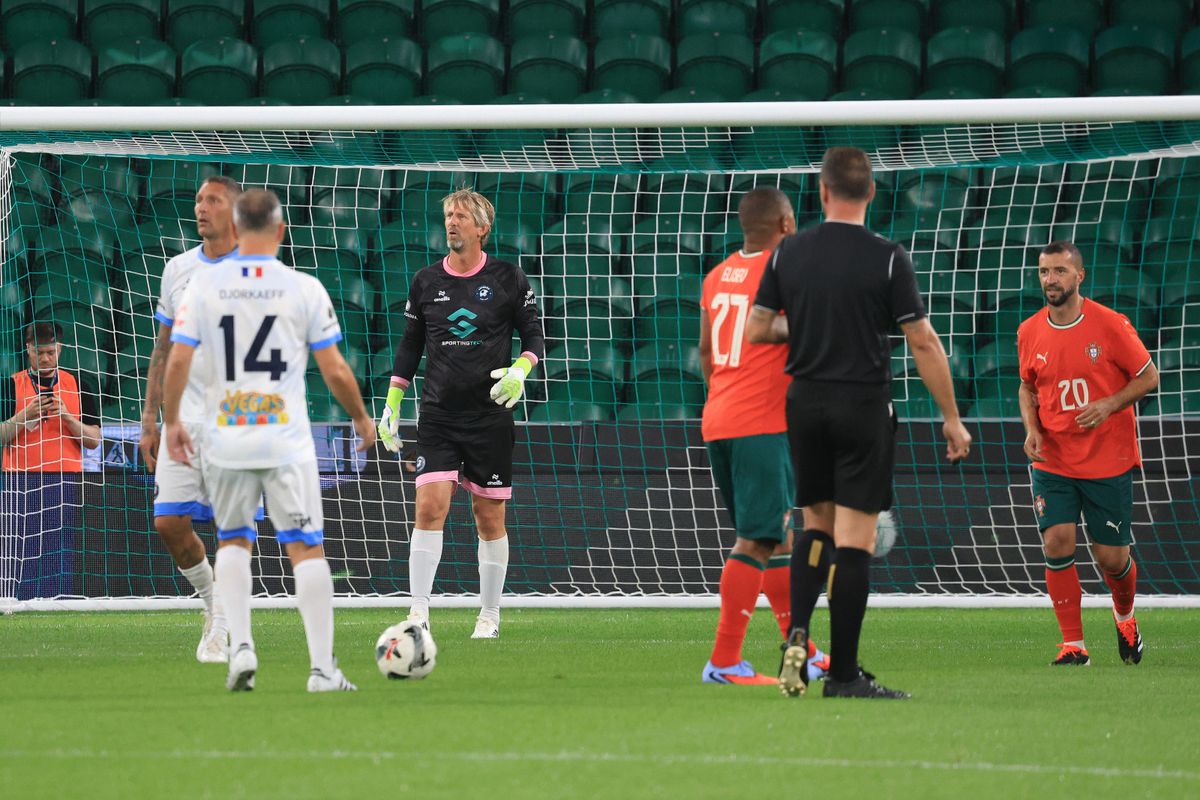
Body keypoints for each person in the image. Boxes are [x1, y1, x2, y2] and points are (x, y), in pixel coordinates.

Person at [748, 146, 971, 699]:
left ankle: (797, 633)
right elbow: (920, 338)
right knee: (854, 543)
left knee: (813, 527)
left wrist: (807, 328)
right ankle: (843, 674)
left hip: (805, 403)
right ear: (870, 192)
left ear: (822, 193)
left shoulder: (788, 253)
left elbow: (757, 329)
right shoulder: (888, 256)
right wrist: (950, 418)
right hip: (862, 405)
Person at [163, 189, 376, 692]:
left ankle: (240, 649)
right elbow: (335, 369)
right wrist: (363, 419)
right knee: (306, 548)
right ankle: (322, 670)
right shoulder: (303, 287)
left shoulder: (204, 287)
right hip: (285, 441)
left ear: (236, 228)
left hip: (225, 437)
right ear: (280, 231)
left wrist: (172, 421)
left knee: (233, 541)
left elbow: (176, 359)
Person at [377, 188, 545, 639]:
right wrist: (393, 400)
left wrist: (521, 370)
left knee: (488, 517)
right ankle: (418, 612)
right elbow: (411, 345)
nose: (451, 222)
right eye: (448, 215)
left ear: (481, 228)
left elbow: (534, 338)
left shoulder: (510, 278)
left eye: (461, 216)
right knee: (429, 507)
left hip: (490, 416)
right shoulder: (426, 281)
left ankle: (489, 614)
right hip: (438, 414)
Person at [698, 188, 830, 686]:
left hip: (722, 416)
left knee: (778, 539)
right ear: (787, 223)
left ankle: (807, 650)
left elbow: (707, 354)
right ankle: (725, 661)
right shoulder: (785, 272)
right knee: (756, 540)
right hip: (761, 421)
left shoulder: (715, 277)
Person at [1017, 241, 1158, 667]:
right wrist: (1032, 429)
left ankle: (1125, 615)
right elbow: (1026, 387)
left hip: (1106, 459)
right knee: (1057, 542)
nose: (1050, 280)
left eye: (1059, 271)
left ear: (1080, 276)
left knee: (1111, 558)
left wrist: (1109, 404)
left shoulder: (1110, 325)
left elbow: (1149, 376)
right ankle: (1073, 644)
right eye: (1044, 272)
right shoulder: (1029, 331)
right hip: (1054, 460)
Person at [140, 174, 241, 663]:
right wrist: (149, 420)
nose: (202, 208)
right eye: (199, 200)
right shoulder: (176, 269)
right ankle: (212, 603)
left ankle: (221, 627)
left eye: (213, 200)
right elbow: (162, 350)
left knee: (233, 526)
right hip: (182, 421)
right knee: (168, 523)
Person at [0, 322, 102, 598]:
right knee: (18, 549)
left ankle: (59, 601)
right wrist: (24, 416)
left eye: (50, 353)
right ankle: (13, 600)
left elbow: (94, 439)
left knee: (59, 547)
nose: (45, 359)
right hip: (19, 479)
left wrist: (67, 417)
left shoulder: (79, 383)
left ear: (60, 349)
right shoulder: (10, 385)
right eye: (39, 353)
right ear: (28, 350)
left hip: (64, 479)